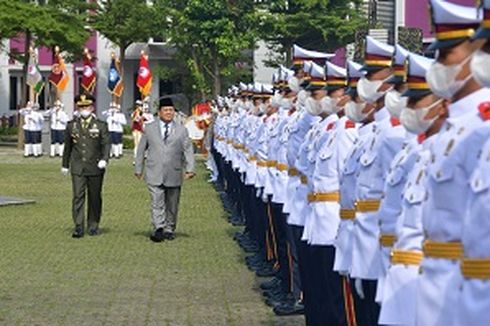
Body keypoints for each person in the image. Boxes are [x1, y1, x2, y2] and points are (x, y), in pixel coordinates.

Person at [135, 97, 195, 243]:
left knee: (172, 203)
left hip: (173, 171)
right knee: (156, 201)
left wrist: (190, 168)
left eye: (171, 110)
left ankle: (170, 228)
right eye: (166, 110)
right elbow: (141, 149)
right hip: (154, 170)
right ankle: (158, 228)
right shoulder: (149, 128)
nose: (169, 113)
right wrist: (138, 168)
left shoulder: (181, 130)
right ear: (159, 112)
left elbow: (188, 150)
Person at [62, 94, 111, 238]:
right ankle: (78, 226)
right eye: (81, 107)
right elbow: (68, 147)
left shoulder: (101, 125)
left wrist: (104, 159)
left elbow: (106, 144)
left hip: (95, 166)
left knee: (94, 197)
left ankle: (93, 225)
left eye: (87, 106)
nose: (84, 109)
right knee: (78, 196)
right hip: (77, 166)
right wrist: (65, 164)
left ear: (92, 107)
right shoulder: (72, 125)